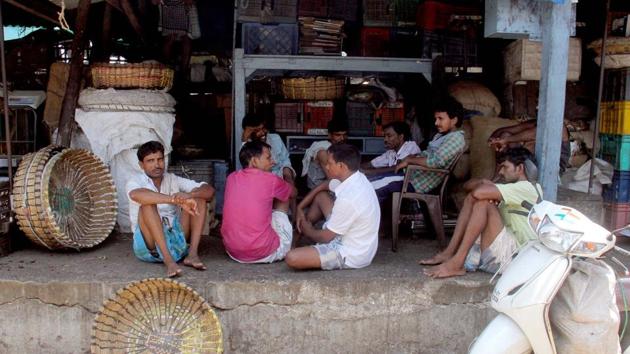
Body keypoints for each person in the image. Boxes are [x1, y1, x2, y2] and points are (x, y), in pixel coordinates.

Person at [419, 147, 543, 279]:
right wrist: (486, 182)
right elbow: (467, 187)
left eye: (505, 167)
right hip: (504, 255)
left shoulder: (528, 188)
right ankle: (450, 253)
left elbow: (477, 192)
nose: (501, 172)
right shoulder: (510, 190)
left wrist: (488, 185)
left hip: (515, 259)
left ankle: (456, 260)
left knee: (483, 203)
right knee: (477, 199)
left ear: (520, 168)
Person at [285, 143, 380, 270]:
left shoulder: (349, 198)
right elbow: (325, 185)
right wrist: (300, 207)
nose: (327, 167)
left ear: (341, 166)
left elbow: (326, 237)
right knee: (321, 196)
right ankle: (300, 231)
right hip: (352, 237)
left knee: (292, 258)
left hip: (350, 253)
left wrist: (308, 231)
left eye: (329, 163)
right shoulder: (356, 177)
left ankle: (303, 230)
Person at [127, 141, 215, 277]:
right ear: (141, 165)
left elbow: (209, 191)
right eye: (150, 161)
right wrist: (176, 200)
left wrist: (190, 195)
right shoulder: (135, 181)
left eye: (160, 159)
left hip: (176, 242)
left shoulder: (172, 179)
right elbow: (136, 195)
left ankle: (192, 255)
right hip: (149, 247)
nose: (157, 164)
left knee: (199, 199)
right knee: (147, 205)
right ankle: (168, 262)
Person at [221, 141, 296, 263]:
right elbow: (293, 193)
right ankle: (286, 244)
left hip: (233, 252)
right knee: (284, 196)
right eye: (268, 158)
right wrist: (287, 179)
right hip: (263, 253)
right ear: (254, 161)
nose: (273, 162)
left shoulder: (231, 178)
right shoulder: (271, 179)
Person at [394, 99, 466, 194]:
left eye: (440, 119)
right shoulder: (441, 136)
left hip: (415, 183)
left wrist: (409, 160)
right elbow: (428, 155)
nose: (436, 123)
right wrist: (411, 157)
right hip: (410, 175)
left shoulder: (456, 138)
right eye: (436, 119)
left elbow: (436, 161)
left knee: (377, 187)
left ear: (454, 120)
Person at [361, 121, 421, 203]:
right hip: (393, 183)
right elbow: (371, 164)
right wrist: (354, 168)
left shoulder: (411, 146)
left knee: (371, 186)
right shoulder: (391, 152)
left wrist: (369, 171)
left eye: (389, 136)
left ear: (401, 137)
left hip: (407, 185)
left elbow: (397, 168)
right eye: (385, 136)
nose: (385, 139)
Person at [488, 119, 570, 173]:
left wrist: (506, 140)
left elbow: (535, 134)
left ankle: (504, 177)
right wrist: (495, 140)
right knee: (505, 135)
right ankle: (499, 174)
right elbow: (502, 131)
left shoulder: (559, 125)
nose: (537, 107)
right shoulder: (537, 122)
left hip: (551, 171)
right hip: (532, 164)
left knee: (510, 139)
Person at [241, 113, 295, 188]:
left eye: (263, 128)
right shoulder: (248, 147)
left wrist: (287, 173)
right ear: (249, 132)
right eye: (257, 130)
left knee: (291, 190)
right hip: (261, 183)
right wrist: (245, 140)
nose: (262, 132)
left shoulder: (276, 138)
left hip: (281, 177)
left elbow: (285, 159)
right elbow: (248, 168)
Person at [301, 119, 349, 189]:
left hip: (332, 184)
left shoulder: (340, 149)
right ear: (330, 135)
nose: (342, 138)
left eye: (344, 135)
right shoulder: (323, 152)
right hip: (317, 188)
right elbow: (332, 179)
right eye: (338, 135)